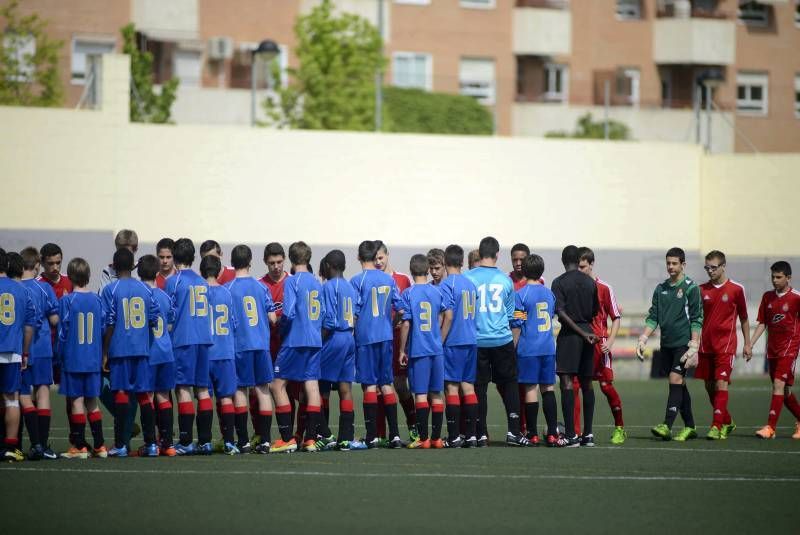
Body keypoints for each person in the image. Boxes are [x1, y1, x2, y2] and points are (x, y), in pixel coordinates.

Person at [464, 236, 529, 447]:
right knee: (510, 384)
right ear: (497, 254)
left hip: (477, 340)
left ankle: (480, 432)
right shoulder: (505, 280)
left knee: (479, 387)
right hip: (502, 340)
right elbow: (512, 316)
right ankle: (513, 431)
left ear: (480, 253)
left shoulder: (468, 278)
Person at [637, 247, 703, 442]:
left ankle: (667, 425)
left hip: (684, 344)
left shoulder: (691, 288)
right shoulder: (661, 289)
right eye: (668, 263)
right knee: (679, 384)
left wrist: (694, 345)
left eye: (675, 263)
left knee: (674, 379)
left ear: (683, 264)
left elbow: (697, 318)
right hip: (667, 344)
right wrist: (643, 338)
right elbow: (653, 317)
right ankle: (690, 427)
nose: (671, 267)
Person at [100, 248, 158, 457]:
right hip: (141, 350)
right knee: (144, 395)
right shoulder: (146, 289)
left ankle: (121, 444)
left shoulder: (110, 290)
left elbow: (109, 323)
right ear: (134, 266)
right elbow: (153, 318)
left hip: (120, 350)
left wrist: (105, 351)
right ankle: (151, 444)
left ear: (114, 267)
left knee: (122, 394)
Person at [271, 241, 325, 453]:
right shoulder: (316, 282)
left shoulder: (292, 282)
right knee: (311, 386)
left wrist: (281, 328)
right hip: (314, 339)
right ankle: (310, 439)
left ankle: (287, 438)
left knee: (276, 385)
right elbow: (323, 314)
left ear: (291, 260)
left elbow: (290, 312)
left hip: (295, 339)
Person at [351, 240, 405, 448]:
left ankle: (372, 435)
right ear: (375, 256)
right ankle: (395, 436)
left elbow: (354, 313)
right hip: (386, 337)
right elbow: (400, 309)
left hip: (366, 338)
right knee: (386, 383)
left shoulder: (357, 280)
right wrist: (390, 324)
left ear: (358, 257)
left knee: (369, 385)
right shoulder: (388, 279)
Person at [226, 244, 278, 453]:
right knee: (263, 390)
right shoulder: (260, 287)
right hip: (261, 345)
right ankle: (265, 440)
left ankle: (244, 441)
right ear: (250, 262)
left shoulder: (228, 289)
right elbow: (273, 318)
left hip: (240, 346)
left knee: (240, 391)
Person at [165, 238, 214, 455]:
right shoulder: (203, 282)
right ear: (194, 258)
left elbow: (169, 315)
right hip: (203, 339)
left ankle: (185, 441)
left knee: (183, 387)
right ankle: (205, 441)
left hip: (183, 340)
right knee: (202, 389)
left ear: (174, 258)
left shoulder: (173, 281)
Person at [399, 254, 451, 449]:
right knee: (436, 393)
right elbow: (446, 314)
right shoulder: (437, 292)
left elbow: (406, 324)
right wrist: (438, 336)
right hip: (436, 350)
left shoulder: (409, 294)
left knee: (420, 394)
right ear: (428, 270)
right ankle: (437, 438)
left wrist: (402, 350)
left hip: (419, 350)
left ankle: (424, 438)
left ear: (412, 272)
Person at [698, 250, 750, 440]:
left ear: (723, 266)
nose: (709, 271)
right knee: (710, 388)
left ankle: (716, 426)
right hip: (705, 347)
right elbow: (696, 319)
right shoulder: (701, 290)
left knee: (721, 384)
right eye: (707, 267)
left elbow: (744, 318)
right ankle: (727, 421)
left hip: (726, 346)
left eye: (713, 267)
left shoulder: (736, 289)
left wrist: (748, 343)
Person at [58, 258, 107, 459]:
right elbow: (103, 329)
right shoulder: (97, 300)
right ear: (88, 276)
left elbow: (62, 332)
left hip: (74, 358)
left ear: (70, 277)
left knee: (77, 401)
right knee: (92, 402)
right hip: (93, 359)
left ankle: (79, 446)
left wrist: (59, 356)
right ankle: (100, 445)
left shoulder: (67, 301)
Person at [551, 245, 599, 447]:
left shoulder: (559, 282)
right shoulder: (590, 282)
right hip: (588, 332)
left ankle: (571, 434)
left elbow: (560, 313)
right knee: (587, 383)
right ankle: (588, 434)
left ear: (563, 261)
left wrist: (579, 332)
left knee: (567, 383)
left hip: (571, 335)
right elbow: (595, 310)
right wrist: (586, 331)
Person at [577, 247, 626, 445]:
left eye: (583, 266)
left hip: (600, 344)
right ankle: (578, 431)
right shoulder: (575, 287)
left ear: (591, 264)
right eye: (578, 266)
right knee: (577, 386)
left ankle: (620, 428)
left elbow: (616, 317)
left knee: (606, 386)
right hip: (581, 343)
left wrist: (610, 342)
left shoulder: (604, 288)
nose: (580, 270)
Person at [317, 250, 365, 450]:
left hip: (334, 337)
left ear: (328, 265)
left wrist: (318, 341)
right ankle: (345, 438)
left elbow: (327, 320)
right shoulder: (351, 287)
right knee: (345, 388)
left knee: (319, 386)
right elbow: (356, 315)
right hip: (349, 338)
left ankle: (323, 433)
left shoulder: (328, 286)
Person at [747, 261, 800, 439]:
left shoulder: (796, 298)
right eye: (773, 277)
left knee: (778, 385)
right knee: (784, 392)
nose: (775, 280)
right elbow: (763, 323)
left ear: (788, 278)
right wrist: (750, 343)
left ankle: (770, 428)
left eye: (779, 277)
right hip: (773, 350)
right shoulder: (767, 297)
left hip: (789, 349)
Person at [512, 254, 560, 446]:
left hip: (529, 348)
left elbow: (517, 321)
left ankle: (531, 433)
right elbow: (552, 314)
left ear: (524, 270)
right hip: (548, 347)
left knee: (531, 389)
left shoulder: (521, 294)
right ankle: (552, 433)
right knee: (548, 388)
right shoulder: (549, 294)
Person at [18, 247, 59, 460]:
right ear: (37, 266)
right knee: (43, 393)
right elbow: (54, 320)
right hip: (42, 348)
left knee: (21, 396)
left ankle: (26, 443)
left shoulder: (14, 288)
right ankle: (42, 445)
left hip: (19, 349)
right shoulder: (44, 288)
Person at [375, 241, 415, 441]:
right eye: (374, 259)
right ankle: (381, 433)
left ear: (387, 255)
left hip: (399, 339)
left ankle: (413, 425)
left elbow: (409, 309)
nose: (378, 262)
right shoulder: (372, 280)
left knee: (400, 385)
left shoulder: (403, 279)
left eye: (381, 258)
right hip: (380, 339)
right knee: (379, 386)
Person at [137, 254, 177, 456]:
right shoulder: (164, 296)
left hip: (149, 354)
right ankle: (168, 444)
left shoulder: (140, 296)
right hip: (166, 352)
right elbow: (170, 323)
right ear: (157, 273)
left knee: (147, 397)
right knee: (164, 396)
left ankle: (151, 444)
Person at [439, 245, 479, 448]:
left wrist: (439, 340)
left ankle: (454, 436)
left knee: (451, 387)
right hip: (471, 340)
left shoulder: (447, 285)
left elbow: (448, 315)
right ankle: (471, 436)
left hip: (453, 342)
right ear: (463, 262)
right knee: (468, 386)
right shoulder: (470, 284)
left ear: (445, 262)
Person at [201, 255, 240, 454]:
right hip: (225, 352)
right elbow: (233, 323)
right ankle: (229, 441)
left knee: (204, 397)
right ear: (218, 272)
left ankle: (205, 442)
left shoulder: (199, 293)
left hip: (205, 352)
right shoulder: (226, 293)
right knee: (226, 398)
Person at [0, 248, 35, 462]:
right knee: (12, 400)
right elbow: (29, 326)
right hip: (11, 351)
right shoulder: (21, 290)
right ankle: (12, 448)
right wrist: (25, 352)